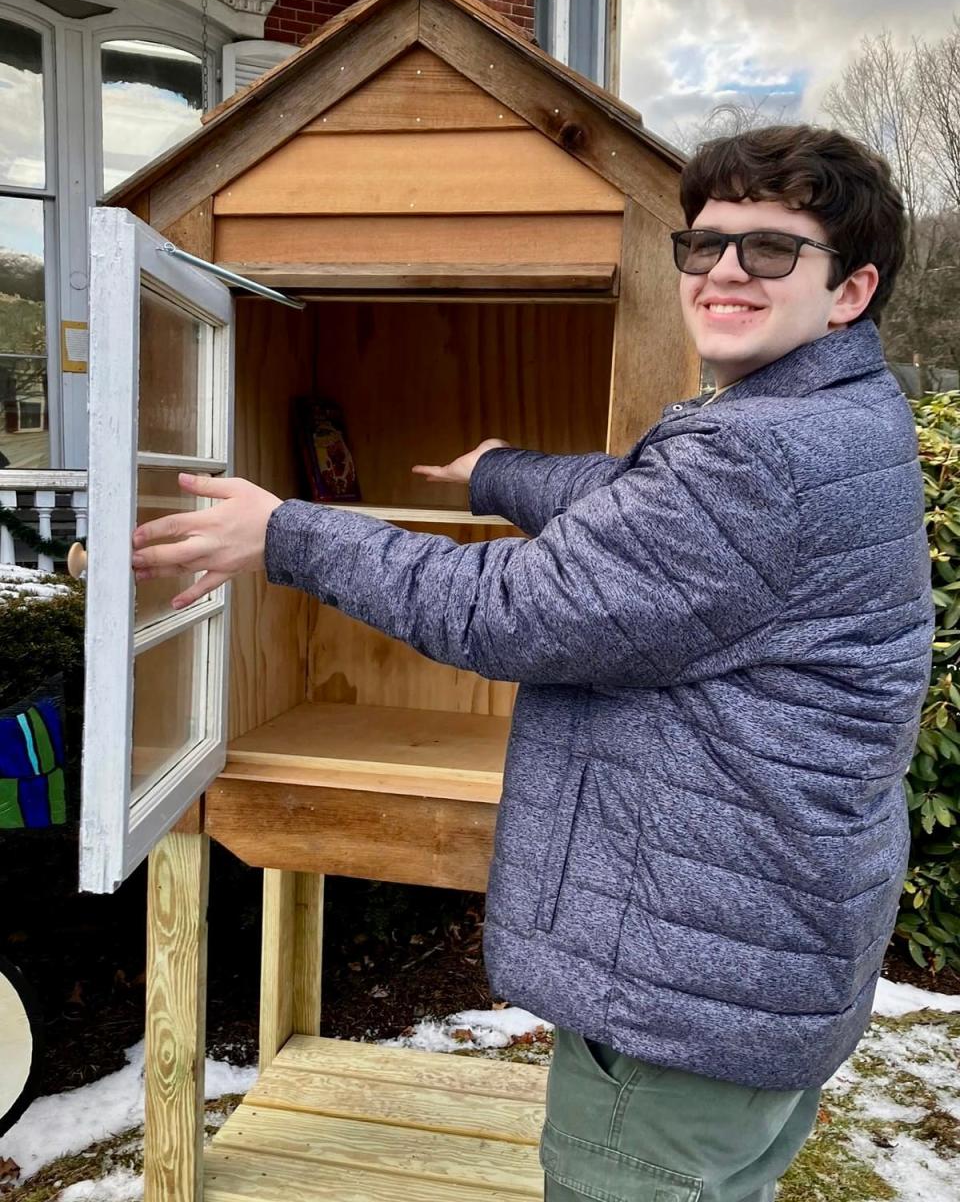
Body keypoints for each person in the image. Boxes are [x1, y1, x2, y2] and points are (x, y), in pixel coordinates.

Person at [130, 124, 934, 1201]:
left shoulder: (760, 454)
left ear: (851, 289)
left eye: (772, 250)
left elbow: (511, 609)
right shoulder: (833, 415)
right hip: (755, 966)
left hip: (679, 1009)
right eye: (703, 245)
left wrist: (286, 535)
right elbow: (650, 511)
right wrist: (499, 473)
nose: (725, 270)